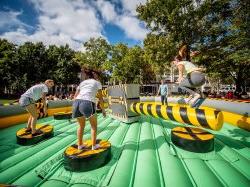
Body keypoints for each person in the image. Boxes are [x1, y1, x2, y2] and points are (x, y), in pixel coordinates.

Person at [73, 68, 106, 150]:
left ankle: (80, 145)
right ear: (96, 77)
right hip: (87, 102)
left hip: (76, 103)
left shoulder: (83, 82)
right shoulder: (97, 82)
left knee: (81, 125)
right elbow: (101, 98)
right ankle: (94, 145)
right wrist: (103, 109)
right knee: (94, 126)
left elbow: (75, 96)